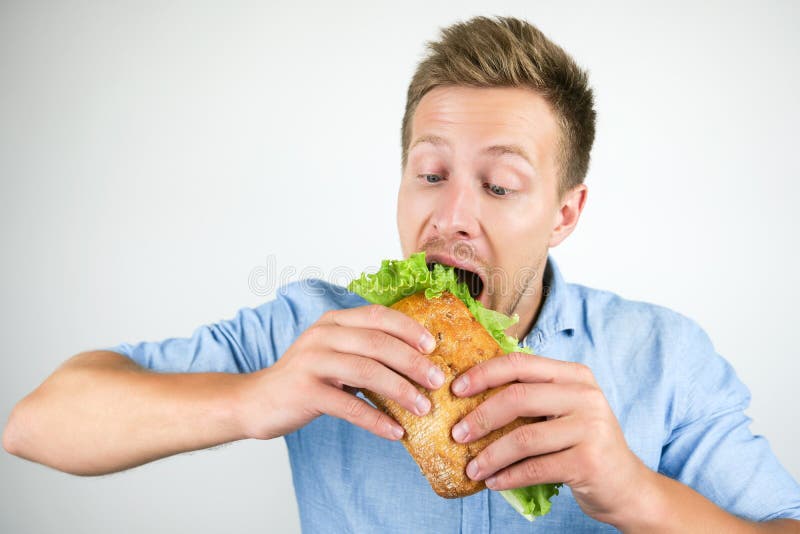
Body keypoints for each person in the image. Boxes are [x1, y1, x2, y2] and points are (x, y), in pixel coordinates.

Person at [3, 15, 799, 533]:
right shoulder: (312, 334)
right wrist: (256, 395)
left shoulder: (663, 355)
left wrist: (633, 490)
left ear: (563, 213)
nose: (451, 216)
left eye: (498, 185)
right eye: (429, 174)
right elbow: (37, 424)